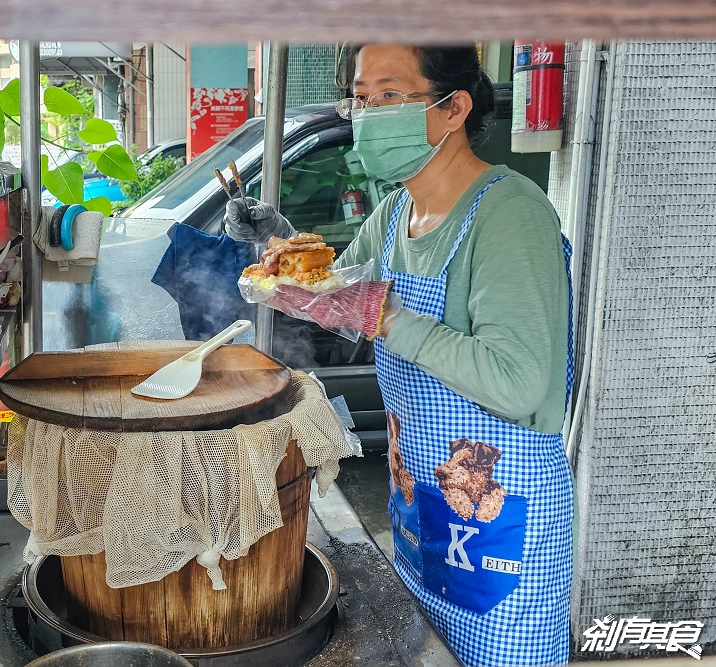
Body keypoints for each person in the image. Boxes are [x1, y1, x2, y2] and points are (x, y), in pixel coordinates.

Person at [225, 44, 573, 667]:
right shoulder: (394, 215)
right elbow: (333, 287)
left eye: (390, 95)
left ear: (453, 108)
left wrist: (383, 316)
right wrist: (275, 242)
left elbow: (518, 382)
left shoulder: (509, 213)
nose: (368, 114)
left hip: (498, 522)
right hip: (419, 503)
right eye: (360, 97)